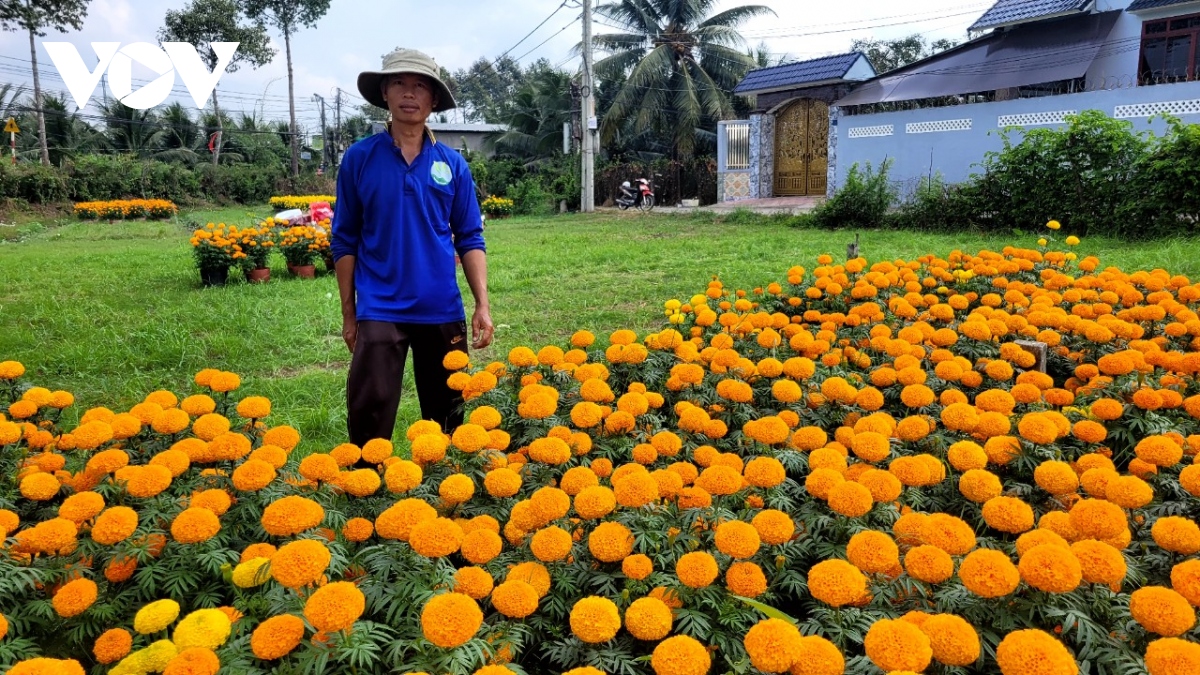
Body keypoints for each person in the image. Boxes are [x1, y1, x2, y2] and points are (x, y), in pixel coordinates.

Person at [330, 48, 493, 448]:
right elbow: (345, 238)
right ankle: (366, 482)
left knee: (448, 417)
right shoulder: (359, 159)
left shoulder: (452, 164)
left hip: (441, 307)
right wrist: (350, 313)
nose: (409, 93)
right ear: (384, 93)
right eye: (399, 83)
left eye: (420, 86)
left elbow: (469, 236)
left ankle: (445, 483)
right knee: (369, 414)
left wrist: (482, 305)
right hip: (379, 307)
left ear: (433, 99)